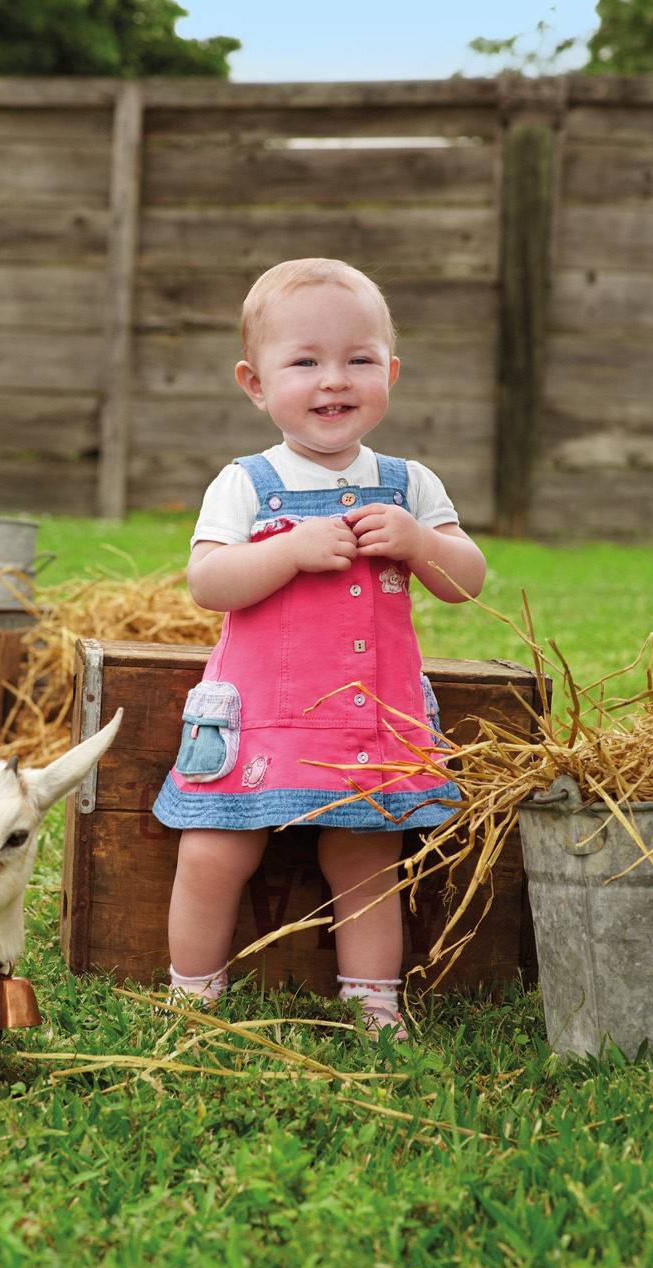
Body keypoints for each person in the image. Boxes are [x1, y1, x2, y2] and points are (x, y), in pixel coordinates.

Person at [152, 258, 486, 1036]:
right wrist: (289, 550)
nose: (334, 379)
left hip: (364, 723)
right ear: (255, 383)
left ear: (391, 373)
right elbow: (208, 580)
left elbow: (466, 582)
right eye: (304, 361)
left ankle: (372, 999)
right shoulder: (246, 482)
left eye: (358, 360)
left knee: (365, 859)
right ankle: (191, 991)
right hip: (262, 718)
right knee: (213, 851)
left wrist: (417, 543)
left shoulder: (410, 487)